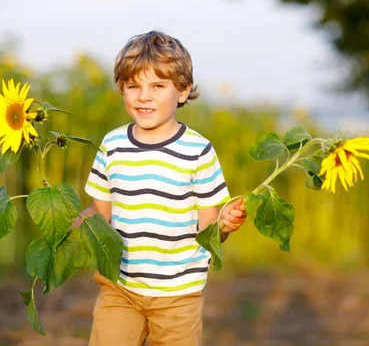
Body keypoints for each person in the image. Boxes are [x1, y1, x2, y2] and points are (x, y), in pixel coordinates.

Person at [80, 30, 246, 346]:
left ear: (182, 91)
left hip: (178, 293)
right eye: (134, 86)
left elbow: (208, 227)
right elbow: (99, 214)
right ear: (122, 90)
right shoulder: (112, 145)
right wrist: (70, 227)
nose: (144, 96)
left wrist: (225, 226)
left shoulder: (198, 151)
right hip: (119, 286)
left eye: (157, 86)